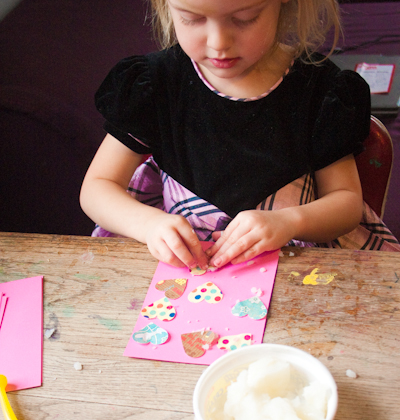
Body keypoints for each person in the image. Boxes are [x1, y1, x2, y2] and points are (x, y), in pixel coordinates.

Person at [80, 0, 400, 270]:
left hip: (295, 266)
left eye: (244, 18)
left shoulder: (322, 92)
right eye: (192, 19)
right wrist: (147, 224)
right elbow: (97, 188)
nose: (219, 42)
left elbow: (346, 204)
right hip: (185, 270)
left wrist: (289, 222)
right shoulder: (152, 85)